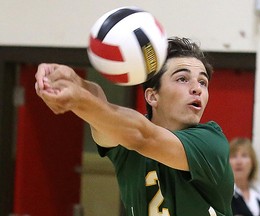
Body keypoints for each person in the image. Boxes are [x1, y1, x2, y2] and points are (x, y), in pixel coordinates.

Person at [35, 37, 234, 216]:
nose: (197, 88)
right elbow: (103, 109)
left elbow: (142, 137)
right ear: (152, 96)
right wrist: (73, 81)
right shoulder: (124, 136)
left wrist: (78, 99)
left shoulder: (211, 142)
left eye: (203, 82)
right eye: (182, 78)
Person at [229, 137, 260, 216]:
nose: (239, 162)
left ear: (252, 162)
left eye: (244, 156)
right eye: (234, 156)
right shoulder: (223, 195)